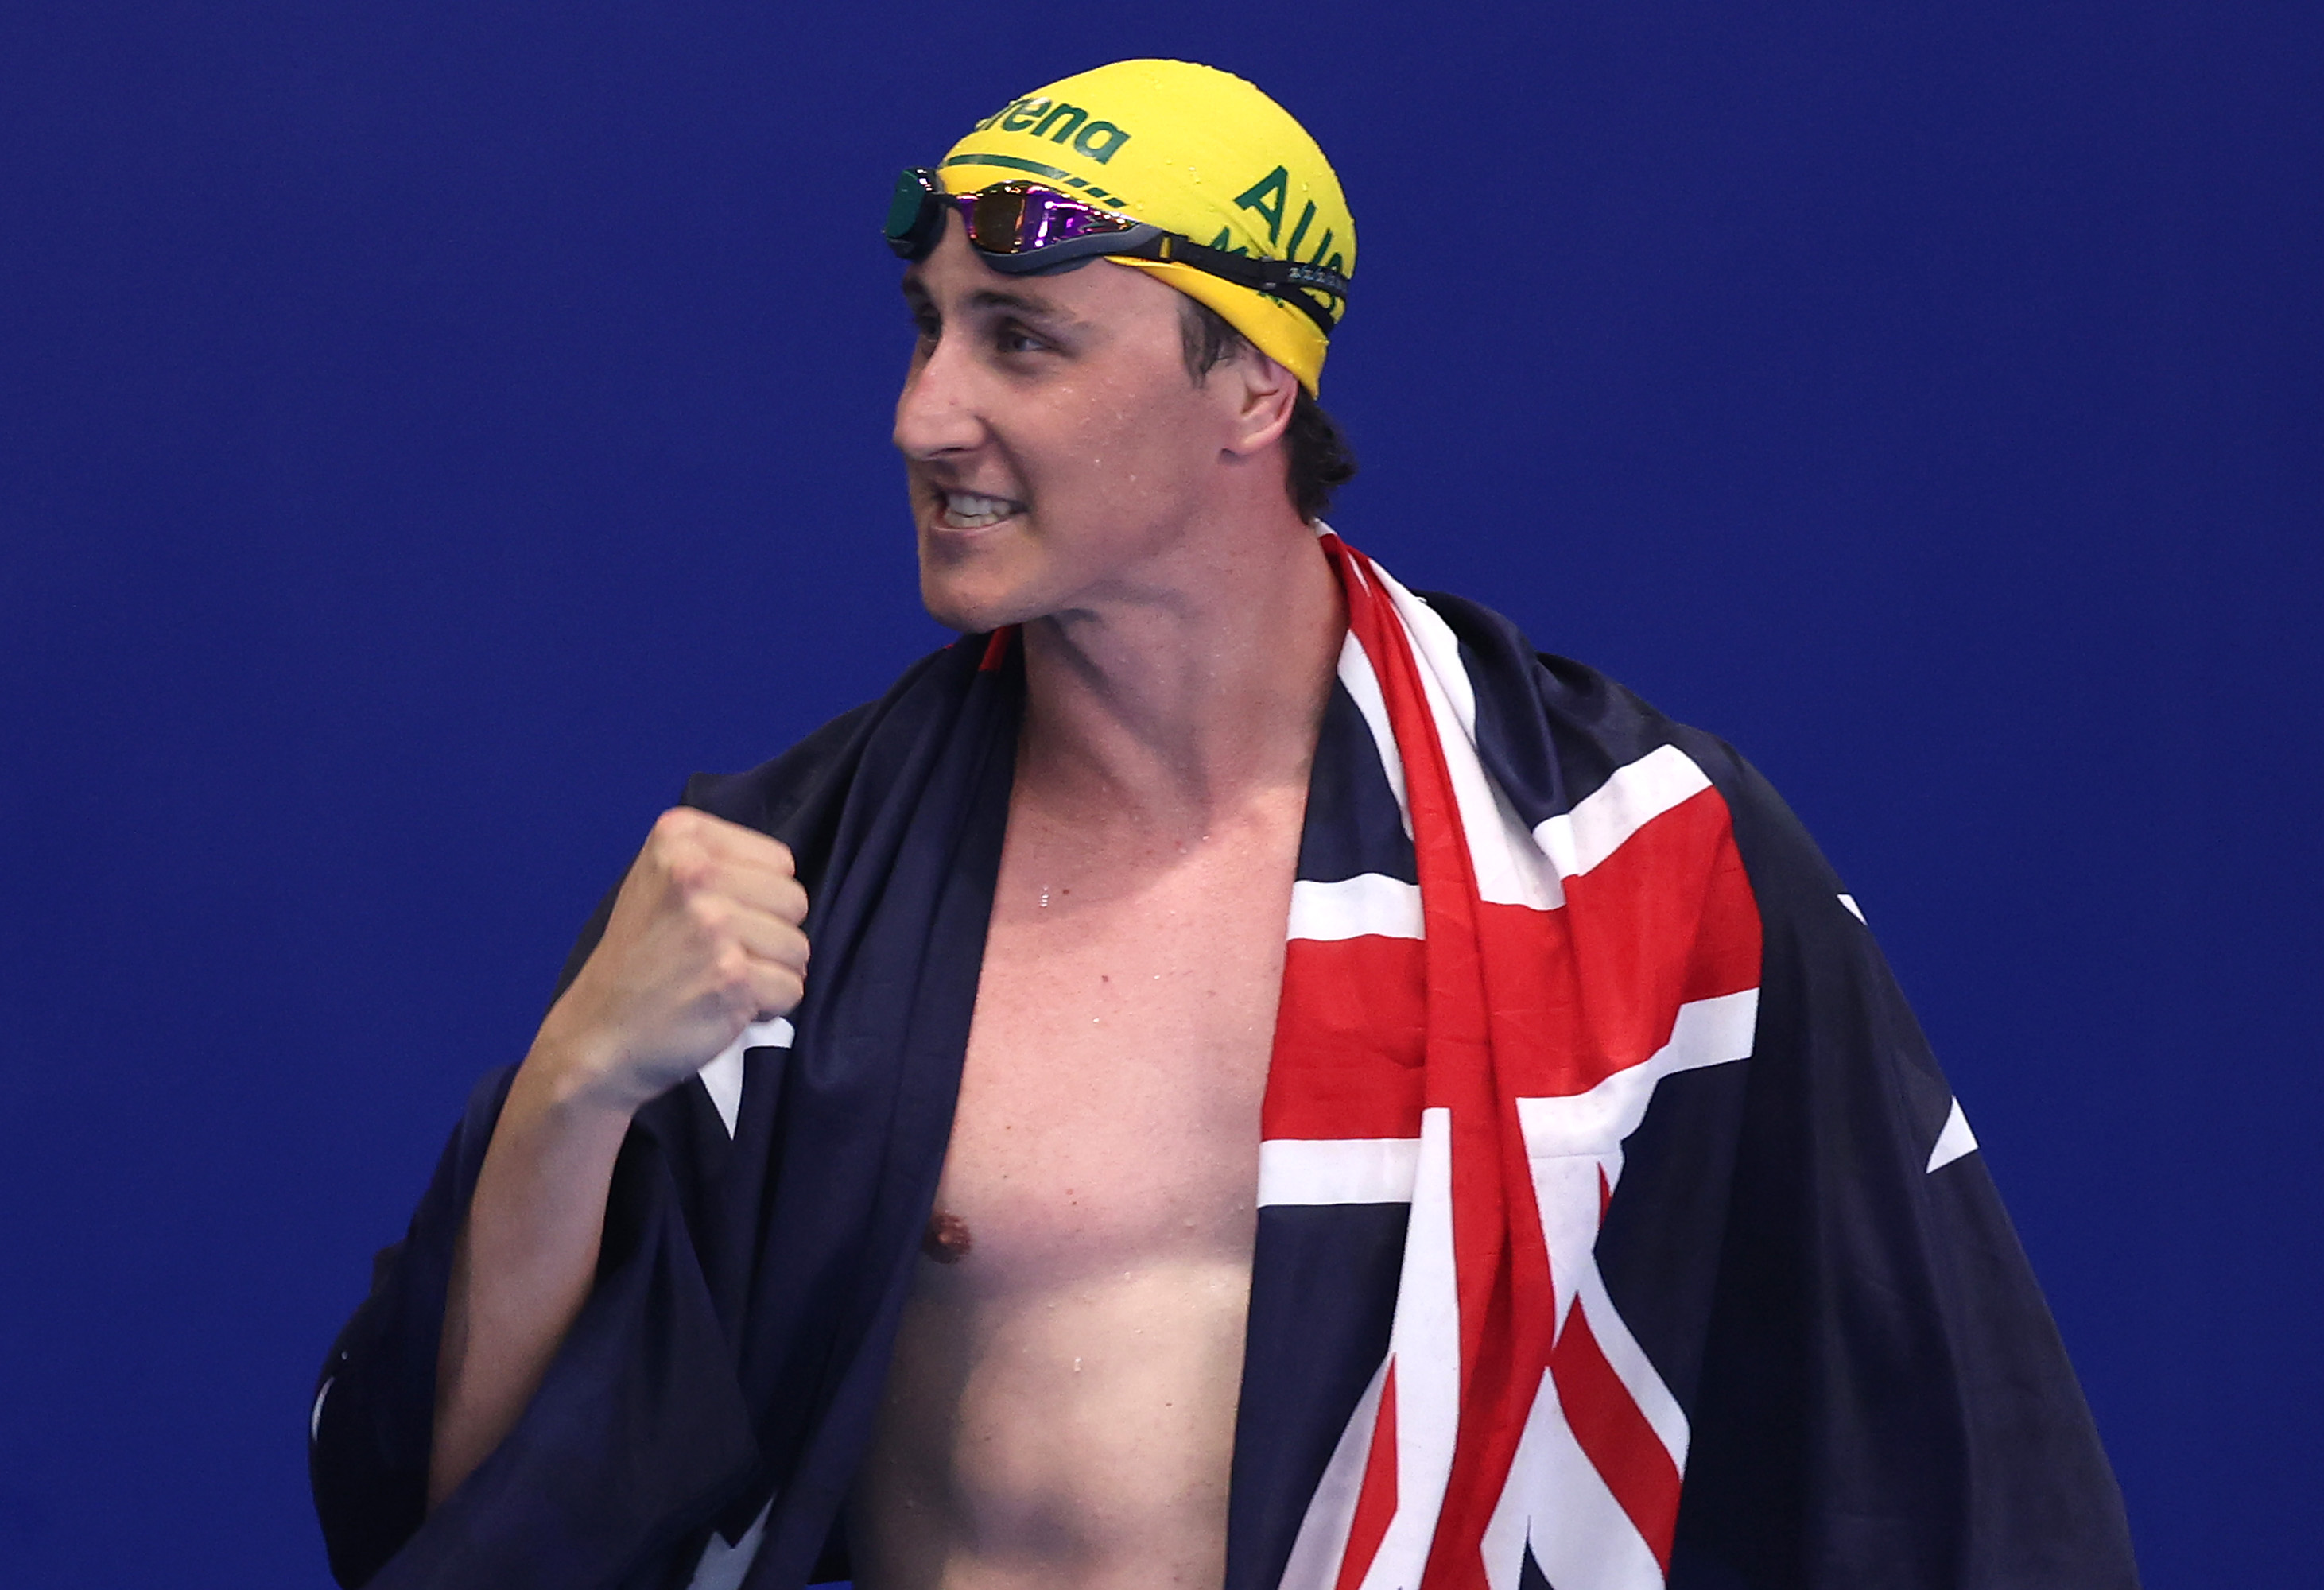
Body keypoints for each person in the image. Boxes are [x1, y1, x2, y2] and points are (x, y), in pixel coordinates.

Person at [310, 59, 2139, 1590]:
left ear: (1255, 388)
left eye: (1022, 341)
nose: (924, 413)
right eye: (929, 330)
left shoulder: (1629, 858)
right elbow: (467, 1521)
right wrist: (573, 1089)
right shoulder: (794, 885)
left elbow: (1954, 1466)